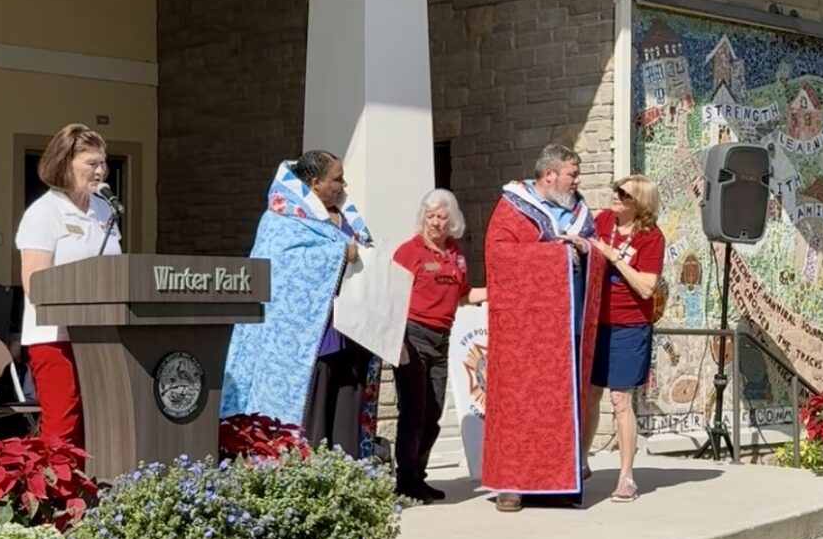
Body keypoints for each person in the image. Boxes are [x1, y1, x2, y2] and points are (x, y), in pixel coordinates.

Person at [221, 150, 377, 456]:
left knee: (346, 406)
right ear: (315, 183)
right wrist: (335, 256)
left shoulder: (346, 215)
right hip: (311, 341)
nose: (343, 186)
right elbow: (279, 265)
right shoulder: (281, 217)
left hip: (350, 331)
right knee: (316, 410)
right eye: (337, 179)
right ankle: (307, 472)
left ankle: (348, 474)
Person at [481, 144, 605, 512]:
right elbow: (499, 257)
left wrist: (585, 248)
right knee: (520, 406)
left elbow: (597, 249)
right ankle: (513, 485)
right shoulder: (513, 207)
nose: (577, 180)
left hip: (570, 328)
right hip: (525, 332)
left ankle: (558, 485)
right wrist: (557, 255)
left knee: (566, 405)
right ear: (549, 174)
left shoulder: (581, 212)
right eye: (572, 173)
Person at [15, 123, 120, 448]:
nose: (100, 170)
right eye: (91, 163)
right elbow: (35, 283)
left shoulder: (104, 209)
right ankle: (59, 495)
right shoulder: (43, 213)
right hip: (55, 335)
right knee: (64, 422)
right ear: (65, 163)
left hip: (98, 333)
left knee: (100, 419)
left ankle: (97, 489)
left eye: (103, 162)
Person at [392, 189, 486, 503]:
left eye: (442, 217)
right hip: (413, 335)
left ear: (452, 221)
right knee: (413, 411)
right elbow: (391, 296)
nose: (435, 223)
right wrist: (398, 341)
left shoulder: (456, 254)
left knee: (433, 410)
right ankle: (405, 480)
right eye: (430, 216)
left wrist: (501, 291)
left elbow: (464, 295)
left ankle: (419, 474)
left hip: (442, 338)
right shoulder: (410, 251)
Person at [582, 175, 665, 503]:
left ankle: (626, 477)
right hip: (595, 321)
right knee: (589, 394)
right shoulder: (602, 220)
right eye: (615, 191)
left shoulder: (651, 237)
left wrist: (613, 257)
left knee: (620, 400)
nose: (615, 197)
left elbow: (647, 287)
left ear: (639, 203)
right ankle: (581, 462)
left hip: (629, 326)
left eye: (623, 194)